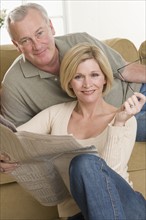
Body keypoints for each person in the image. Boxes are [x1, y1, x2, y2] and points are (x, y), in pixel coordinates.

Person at [3, 43, 146, 220]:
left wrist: (118, 124)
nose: (87, 84)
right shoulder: (54, 114)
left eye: (94, 75)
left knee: (84, 163)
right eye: (78, 76)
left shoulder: (124, 118)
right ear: (69, 80)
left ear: (104, 78)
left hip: (129, 209)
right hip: (78, 214)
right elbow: (11, 140)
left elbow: (110, 183)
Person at [0, 3, 146, 141]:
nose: (37, 45)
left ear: (51, 27)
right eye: (25, 40)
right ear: (16, 45)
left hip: (138, 92)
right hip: (120, 119)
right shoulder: (14, 84)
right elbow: (15, 138)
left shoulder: (79, 40)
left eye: (39, 33)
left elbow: (125, 70)